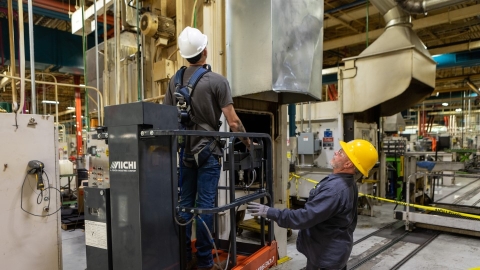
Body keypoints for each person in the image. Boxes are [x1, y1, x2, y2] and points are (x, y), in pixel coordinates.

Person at [163, 26, 251, 270]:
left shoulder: (174, 81)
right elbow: (233, 122)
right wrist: (248, 143)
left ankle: (181, 255)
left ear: (184, 54)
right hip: (209, 152)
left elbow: (167, 117)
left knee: (185, 204)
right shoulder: (217, 81)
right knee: (206, 206)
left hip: (185, 153)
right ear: (205, 51)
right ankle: (204, 261)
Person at [248, 139, 378, 270]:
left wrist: (269, 212)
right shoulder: (344, 182)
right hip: (327, 251)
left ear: (348, 163)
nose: (335, 153)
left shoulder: (335, 190)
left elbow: (304, 217)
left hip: (326, 257)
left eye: (341, 153)